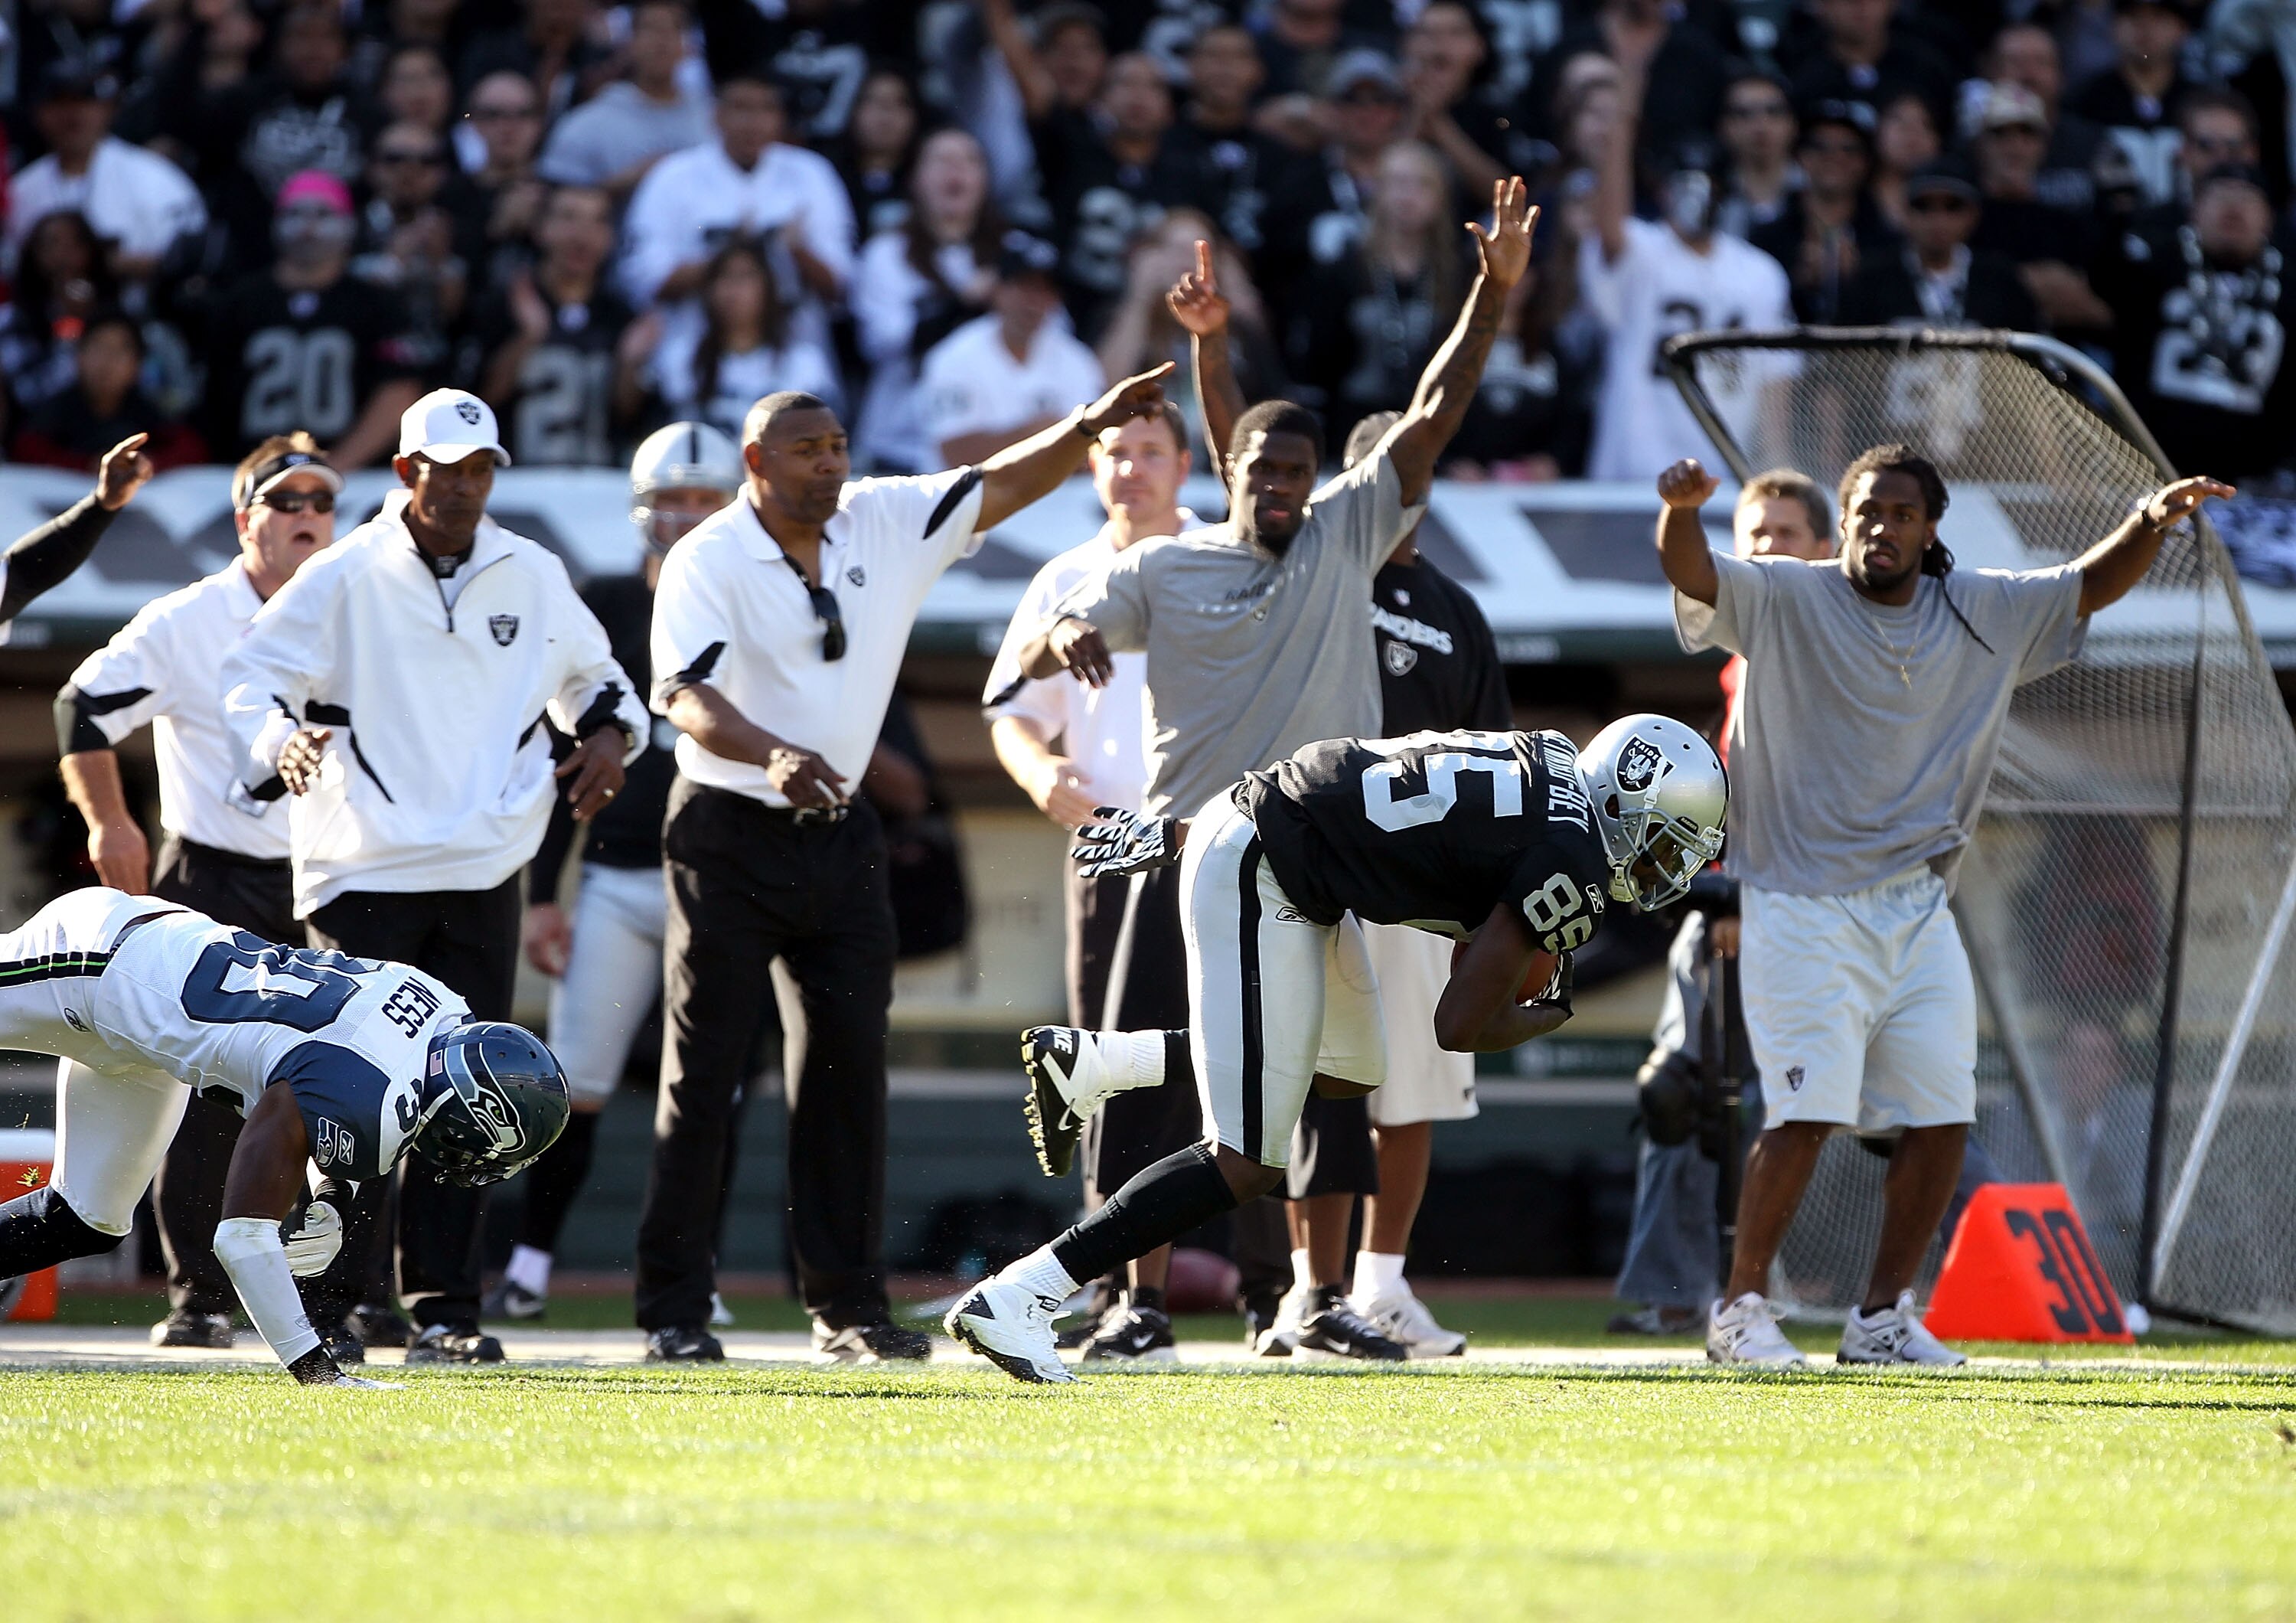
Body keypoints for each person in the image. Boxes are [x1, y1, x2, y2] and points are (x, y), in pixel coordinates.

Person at [1006, 181, 1537, 1358]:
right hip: (1180, 844)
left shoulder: (1348, 538)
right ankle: (1131, 1301)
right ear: (1228, 473)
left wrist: (1491, 297)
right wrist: (1062, 639)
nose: (1288, 487)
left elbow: (1437, 409)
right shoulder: (1168, 568)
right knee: (1178, 1096)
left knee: (1338, 1083)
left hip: (1317, 854)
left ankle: (1314, 1296)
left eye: (1303, 472)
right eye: (1266, 471)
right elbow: (1046, 632)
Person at [636, 361, 1176, 1364]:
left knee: (846, 1075)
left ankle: (846, 1308)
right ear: (755, 462)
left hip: (838, 838)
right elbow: (684, 698)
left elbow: (1001, 482)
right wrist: (775, 753)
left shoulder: (880, 517)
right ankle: (673, 1308)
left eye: (838, 444)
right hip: (727, 824)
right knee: (704, 1076)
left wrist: (1086, 424)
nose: (831, 462)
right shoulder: (707, 556)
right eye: (807, 449)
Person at [1657, 445, 2232, 1367]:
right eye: (1864, 511)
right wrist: (1682, 510)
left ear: (1931, 530)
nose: (1880, 527)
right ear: (1841, 523)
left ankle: (1879, 1317)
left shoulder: (1982, 607)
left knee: (1941, 1118)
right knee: (1804, 1115)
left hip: (1919, 907)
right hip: (1801, 900)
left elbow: (2087, 585)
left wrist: (2153, 520)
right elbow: (1690, 570)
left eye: (1900, 513)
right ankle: (1740, 1310)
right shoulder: (1787, 595)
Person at [951, 714, 1729, 1382]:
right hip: (1269, 868)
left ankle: (1103, 1064)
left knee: (1350, 1070)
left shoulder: (1550, 755)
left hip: (1284, 847)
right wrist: (1539, 1014)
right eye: (1665, 842)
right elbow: (1458, 1025)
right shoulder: (1576, 858)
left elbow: (1379, 795)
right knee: (1248, 1158)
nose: (1662, 868)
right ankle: (1020, 1292)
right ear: (1627, 804)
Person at [220, 388, 644, 1367]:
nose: (463, 486)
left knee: (470, 1092)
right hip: (361, 862)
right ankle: (335, 1303)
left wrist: (612, 736)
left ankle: (444, 1307)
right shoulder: (345, 571)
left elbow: (601, 680)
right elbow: (250, 676)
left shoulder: (531, 570)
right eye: (445, 468)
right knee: (349, 1094)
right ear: (407, 472)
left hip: (488, 860)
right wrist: (281, 739)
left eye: (480, 468)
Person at [0, 888, 569, 1385]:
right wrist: (316, 1372)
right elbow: (242, 1238)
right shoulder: (364, 1089)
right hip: (99, 961)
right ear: (471, 1109)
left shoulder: (440, 1008)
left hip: (146, 1024)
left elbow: (319, 1082)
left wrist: (329, 1193)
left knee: (83, 1220)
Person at [54, 435, 338, 1349]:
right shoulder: (188, 617)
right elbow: (82, 705)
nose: (305, 515)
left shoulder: (364, 603)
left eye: (321, 500)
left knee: (346, 1091)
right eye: (285, 498)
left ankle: (349, 1298)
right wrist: (111, 821)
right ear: (245, 516)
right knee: (207, 1094)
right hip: (217, 872)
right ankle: (200, 1300)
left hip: (336, 874)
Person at [487, 421, 743, 1323]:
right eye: (671, 498)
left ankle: (692, 1271)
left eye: (703, 499)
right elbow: (560, 757)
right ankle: (528, 1260)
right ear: (643, 507)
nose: (685, 516)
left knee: (715, 1087)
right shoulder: (601, 606)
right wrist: (543, 897)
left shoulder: (752, 600)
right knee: (575, 1082)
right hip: (618, 874)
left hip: (721, 886)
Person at [980, 400, 1197, 1360]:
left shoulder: (1225, 555)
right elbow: (1007, 708)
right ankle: (1120, 1290)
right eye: (1115, 451)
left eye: (1152, 451)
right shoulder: (1065, 576)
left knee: (1239, 1059)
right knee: (1106, 1069)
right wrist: (1040, 774)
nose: (1131, 469)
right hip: (1112, 840)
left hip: (1221, 835)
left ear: (1189, 464)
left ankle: (1291, 1292)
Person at [1610, 467, 1831, 1335]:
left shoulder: (1842, 637)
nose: (1766, 548)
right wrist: (1717, 891)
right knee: (1678, 1091)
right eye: (1755, 533)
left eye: (1784, 532)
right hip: (1729, 910)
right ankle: (1677, 1290)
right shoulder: (1746, 643)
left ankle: (2007, 1247)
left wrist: (1750, 893)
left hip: (1827, 910)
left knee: (1897, 1104)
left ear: (1826, 547)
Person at [1346, 410, 1513, 1355]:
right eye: (1379, 467)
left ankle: (1382, 1285)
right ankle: (1297, 1290)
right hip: (1309, 870)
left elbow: (1494, 762)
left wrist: (1481, 904)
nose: (1398, 486)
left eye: (1413, 468)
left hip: (1418, 887)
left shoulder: (1456, 612)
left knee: (1408, 1092)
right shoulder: (1310, 575)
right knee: (1297, 1084)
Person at [1581, 44, 1790, 481]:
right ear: (1663, 190)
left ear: (1725, 192)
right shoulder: (1642, 248)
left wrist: (1775, 470)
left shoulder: (1760, 272)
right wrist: (1623, 122)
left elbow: (1775, 386)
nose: (1696, 199)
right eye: (1686, 185)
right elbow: (1610, 228)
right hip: (1634, 465)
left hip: (1723, 469)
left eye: (1708, 187)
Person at [620, 72, 855, 358]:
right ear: (716, 114)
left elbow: (843, 289)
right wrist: (728, 256)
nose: (754, 122)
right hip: (692, 355)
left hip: (795, 356)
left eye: (767, 109)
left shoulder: (812, 173)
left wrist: (795, 250)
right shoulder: (673, 176)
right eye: (741, 108)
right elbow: (644, 284)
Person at [197, 170, 422, 468]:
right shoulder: (240, 302)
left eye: (323, 215)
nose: (308, 227)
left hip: (353, 479)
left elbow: (398, 392)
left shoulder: (375, 303)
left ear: (349, 225)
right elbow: (214, 395)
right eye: (296, 214)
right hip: (252, 472)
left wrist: (334, 468)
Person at [2093, 161, 2296, 481]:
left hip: (2256, 479)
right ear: (2193, 210)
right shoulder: (2150, 266)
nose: (2233, 207)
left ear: (2269, 218)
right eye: (2220, 195)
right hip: (2146, 468)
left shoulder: (2288, 287)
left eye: (2247, 198)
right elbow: (2098, 279)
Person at [850, 126, 1003, 473]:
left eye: (969, 161)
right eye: (942, 161)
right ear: (916, 178)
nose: (956, 171)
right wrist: (965, 304)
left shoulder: (1016, 254)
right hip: (899, 446)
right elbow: (884, 343)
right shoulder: (886, 254)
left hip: (988, 444)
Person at [468, 183, 653, 466]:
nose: (582, 235)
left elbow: (629, 419)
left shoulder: (622, 317)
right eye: (568, 217)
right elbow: (476, 406)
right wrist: (528, 338)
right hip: (514, 483)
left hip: (595, 485)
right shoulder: (502, 306)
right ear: (541, 229)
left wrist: (629, 364)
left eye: (597, 221)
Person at [6, 60, 207, 285]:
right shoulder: (20, 189)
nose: (73, 115)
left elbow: (191, 257)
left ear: (109, 109)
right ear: (39, 113)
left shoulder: (155, 178)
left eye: (85, 102)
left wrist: (113, 264)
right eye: (60, 102)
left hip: (137, 309)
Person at [920, 232, 1107, 466]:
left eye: (1045, 290)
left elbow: (1097, 452)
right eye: (1025, 286)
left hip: (1062, 497)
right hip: (971, 497)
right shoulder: (955, 356)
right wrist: (1048, 433)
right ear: (999, 291)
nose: (1034, 301)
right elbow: (957, 454)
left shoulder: (1076, 359)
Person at [651, 236, 846, 439]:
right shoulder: (681, 357)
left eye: (745, 277)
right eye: (724, 277)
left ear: (768, 289)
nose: (733, 290)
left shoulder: (804, 365)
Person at [535, 0, 711, 200]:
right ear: (630, 42)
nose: (663, 41)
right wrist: (622, 184)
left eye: (675, 29)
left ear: (688, 45)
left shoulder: (713, 118)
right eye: (652, 29)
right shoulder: (590, 122)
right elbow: (553, 200)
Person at [1841, 160, 2041, 329]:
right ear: (1906, 214)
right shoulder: (1870, 278)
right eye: (1924, 206)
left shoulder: (2000, 279)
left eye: (1952, 206)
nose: (1938, 220)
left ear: (1973, 215)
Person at [1748, 102, 1900, 325]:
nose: (1834, 157)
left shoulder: (1888, 242)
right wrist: (1798, 281)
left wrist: (1856, 279)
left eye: (1849, 149)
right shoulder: (1767, 237)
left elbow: (1893, 316)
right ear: (1801, 157)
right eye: (1820, 147)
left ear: (1866, 162)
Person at [10, 313, 204, 472]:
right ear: (79, 356)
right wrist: (86, 466)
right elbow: (26, 447)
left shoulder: (145, 409)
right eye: (98, 348)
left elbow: (191, 447)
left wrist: (148, 465)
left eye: (119, 351)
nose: (107, 362)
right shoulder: (59, 408)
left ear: (137, 365)